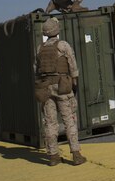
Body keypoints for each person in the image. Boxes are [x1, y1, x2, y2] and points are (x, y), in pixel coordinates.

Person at [35, 17, 86, 166]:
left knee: (50, 123)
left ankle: (53, 156)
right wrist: (74, 83)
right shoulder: (63, 45)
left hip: (45, 88)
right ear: (56, 30)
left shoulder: (40, 48)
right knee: (69, 120)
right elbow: (73, 65)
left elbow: (36, 70)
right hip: (62, 87)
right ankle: (76, 155)